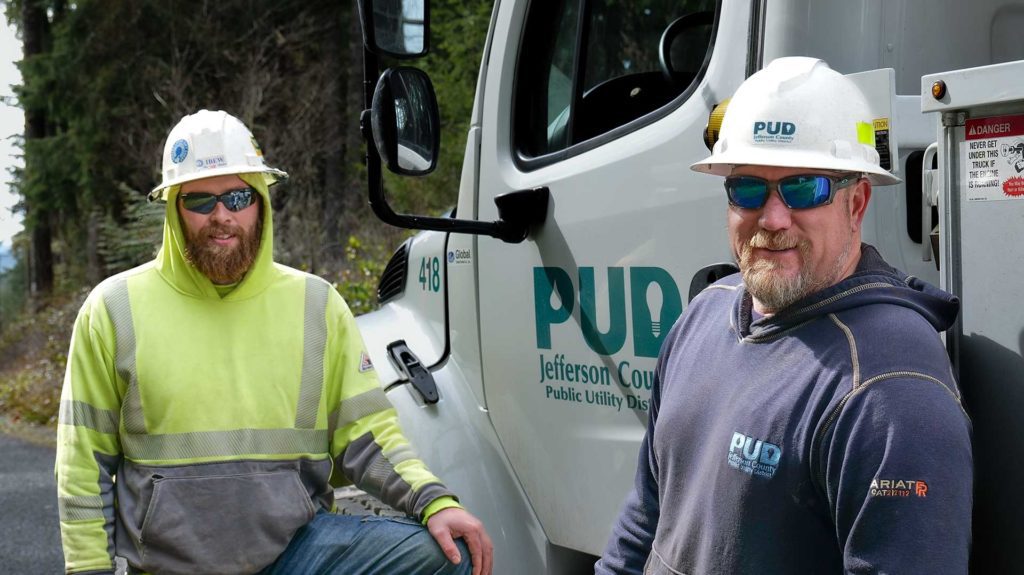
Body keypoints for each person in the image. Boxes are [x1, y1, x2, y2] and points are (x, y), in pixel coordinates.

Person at [55, 110, 493, 575]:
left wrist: (433, 501)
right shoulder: (113, 309)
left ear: (261, 201)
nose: (221, 216)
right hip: (172, 566)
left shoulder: (315, 305)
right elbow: (83, 465)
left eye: (238, 196)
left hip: (300, 553)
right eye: (200, 200)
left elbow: (369, 437)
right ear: (174, 209)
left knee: (446, 554)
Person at [596, 57, 972, 574]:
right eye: (747, 187)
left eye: (803, 188)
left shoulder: (888, 389)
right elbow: (644, 525)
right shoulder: (703, 316)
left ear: (856, 202)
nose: (771, 218)